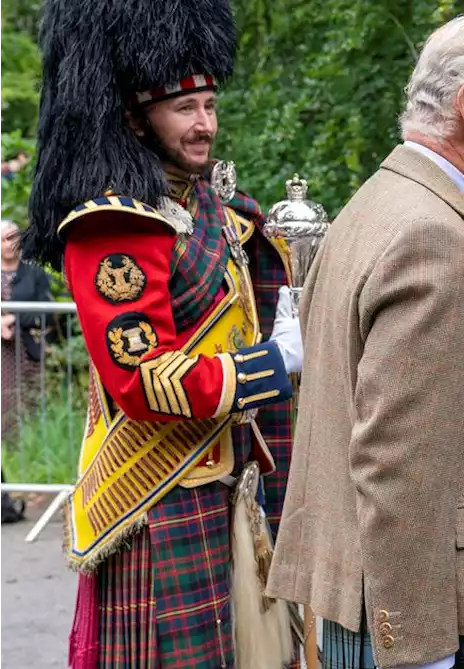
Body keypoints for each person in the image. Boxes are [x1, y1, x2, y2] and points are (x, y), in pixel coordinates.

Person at [266, 14, 464, 669]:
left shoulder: (378, 204)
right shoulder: (430, 235)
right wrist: (420, 653)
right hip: (443, 630)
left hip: (383, 611)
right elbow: (396, 466)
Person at [23, 1, 301, 667]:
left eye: (209, 104)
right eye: (184, 108)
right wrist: (272, 364)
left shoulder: (213, 206)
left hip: (230, 487)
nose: (204, 123)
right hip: (156, 497)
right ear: (137, 116)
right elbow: (145, 380)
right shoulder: (113, 226)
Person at [0, 219, 62, 443]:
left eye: (15, 237)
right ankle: (8, 450)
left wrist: (13, 318)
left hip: (30, 348)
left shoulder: (33, 271)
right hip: (3, 352)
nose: (11, 243)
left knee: (32, 400)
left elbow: (46, 311)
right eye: (6, 239)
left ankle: (33, 448)